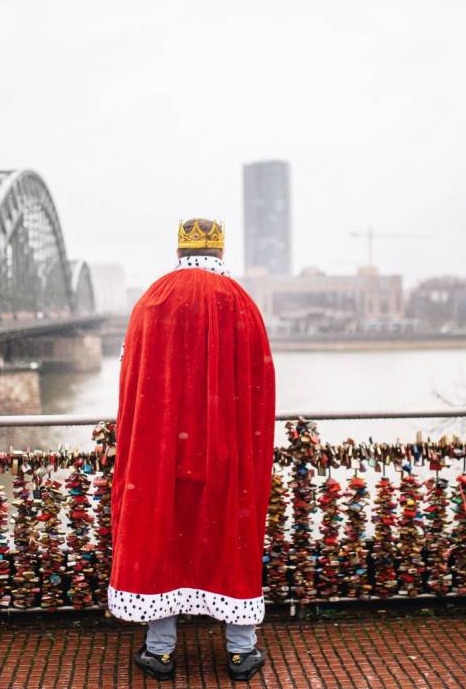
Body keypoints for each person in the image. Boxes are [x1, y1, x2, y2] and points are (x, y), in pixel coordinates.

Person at [109, 219, 276, 682]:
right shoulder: (240, 303)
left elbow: (131, 378)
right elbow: (260, 382)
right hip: (226, 451)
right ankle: (242, 652)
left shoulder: (154, 299)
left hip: (161, 452)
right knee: (231, 541)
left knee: (161, 540)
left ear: (179, 250)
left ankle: (160, 651)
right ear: (220, 252)